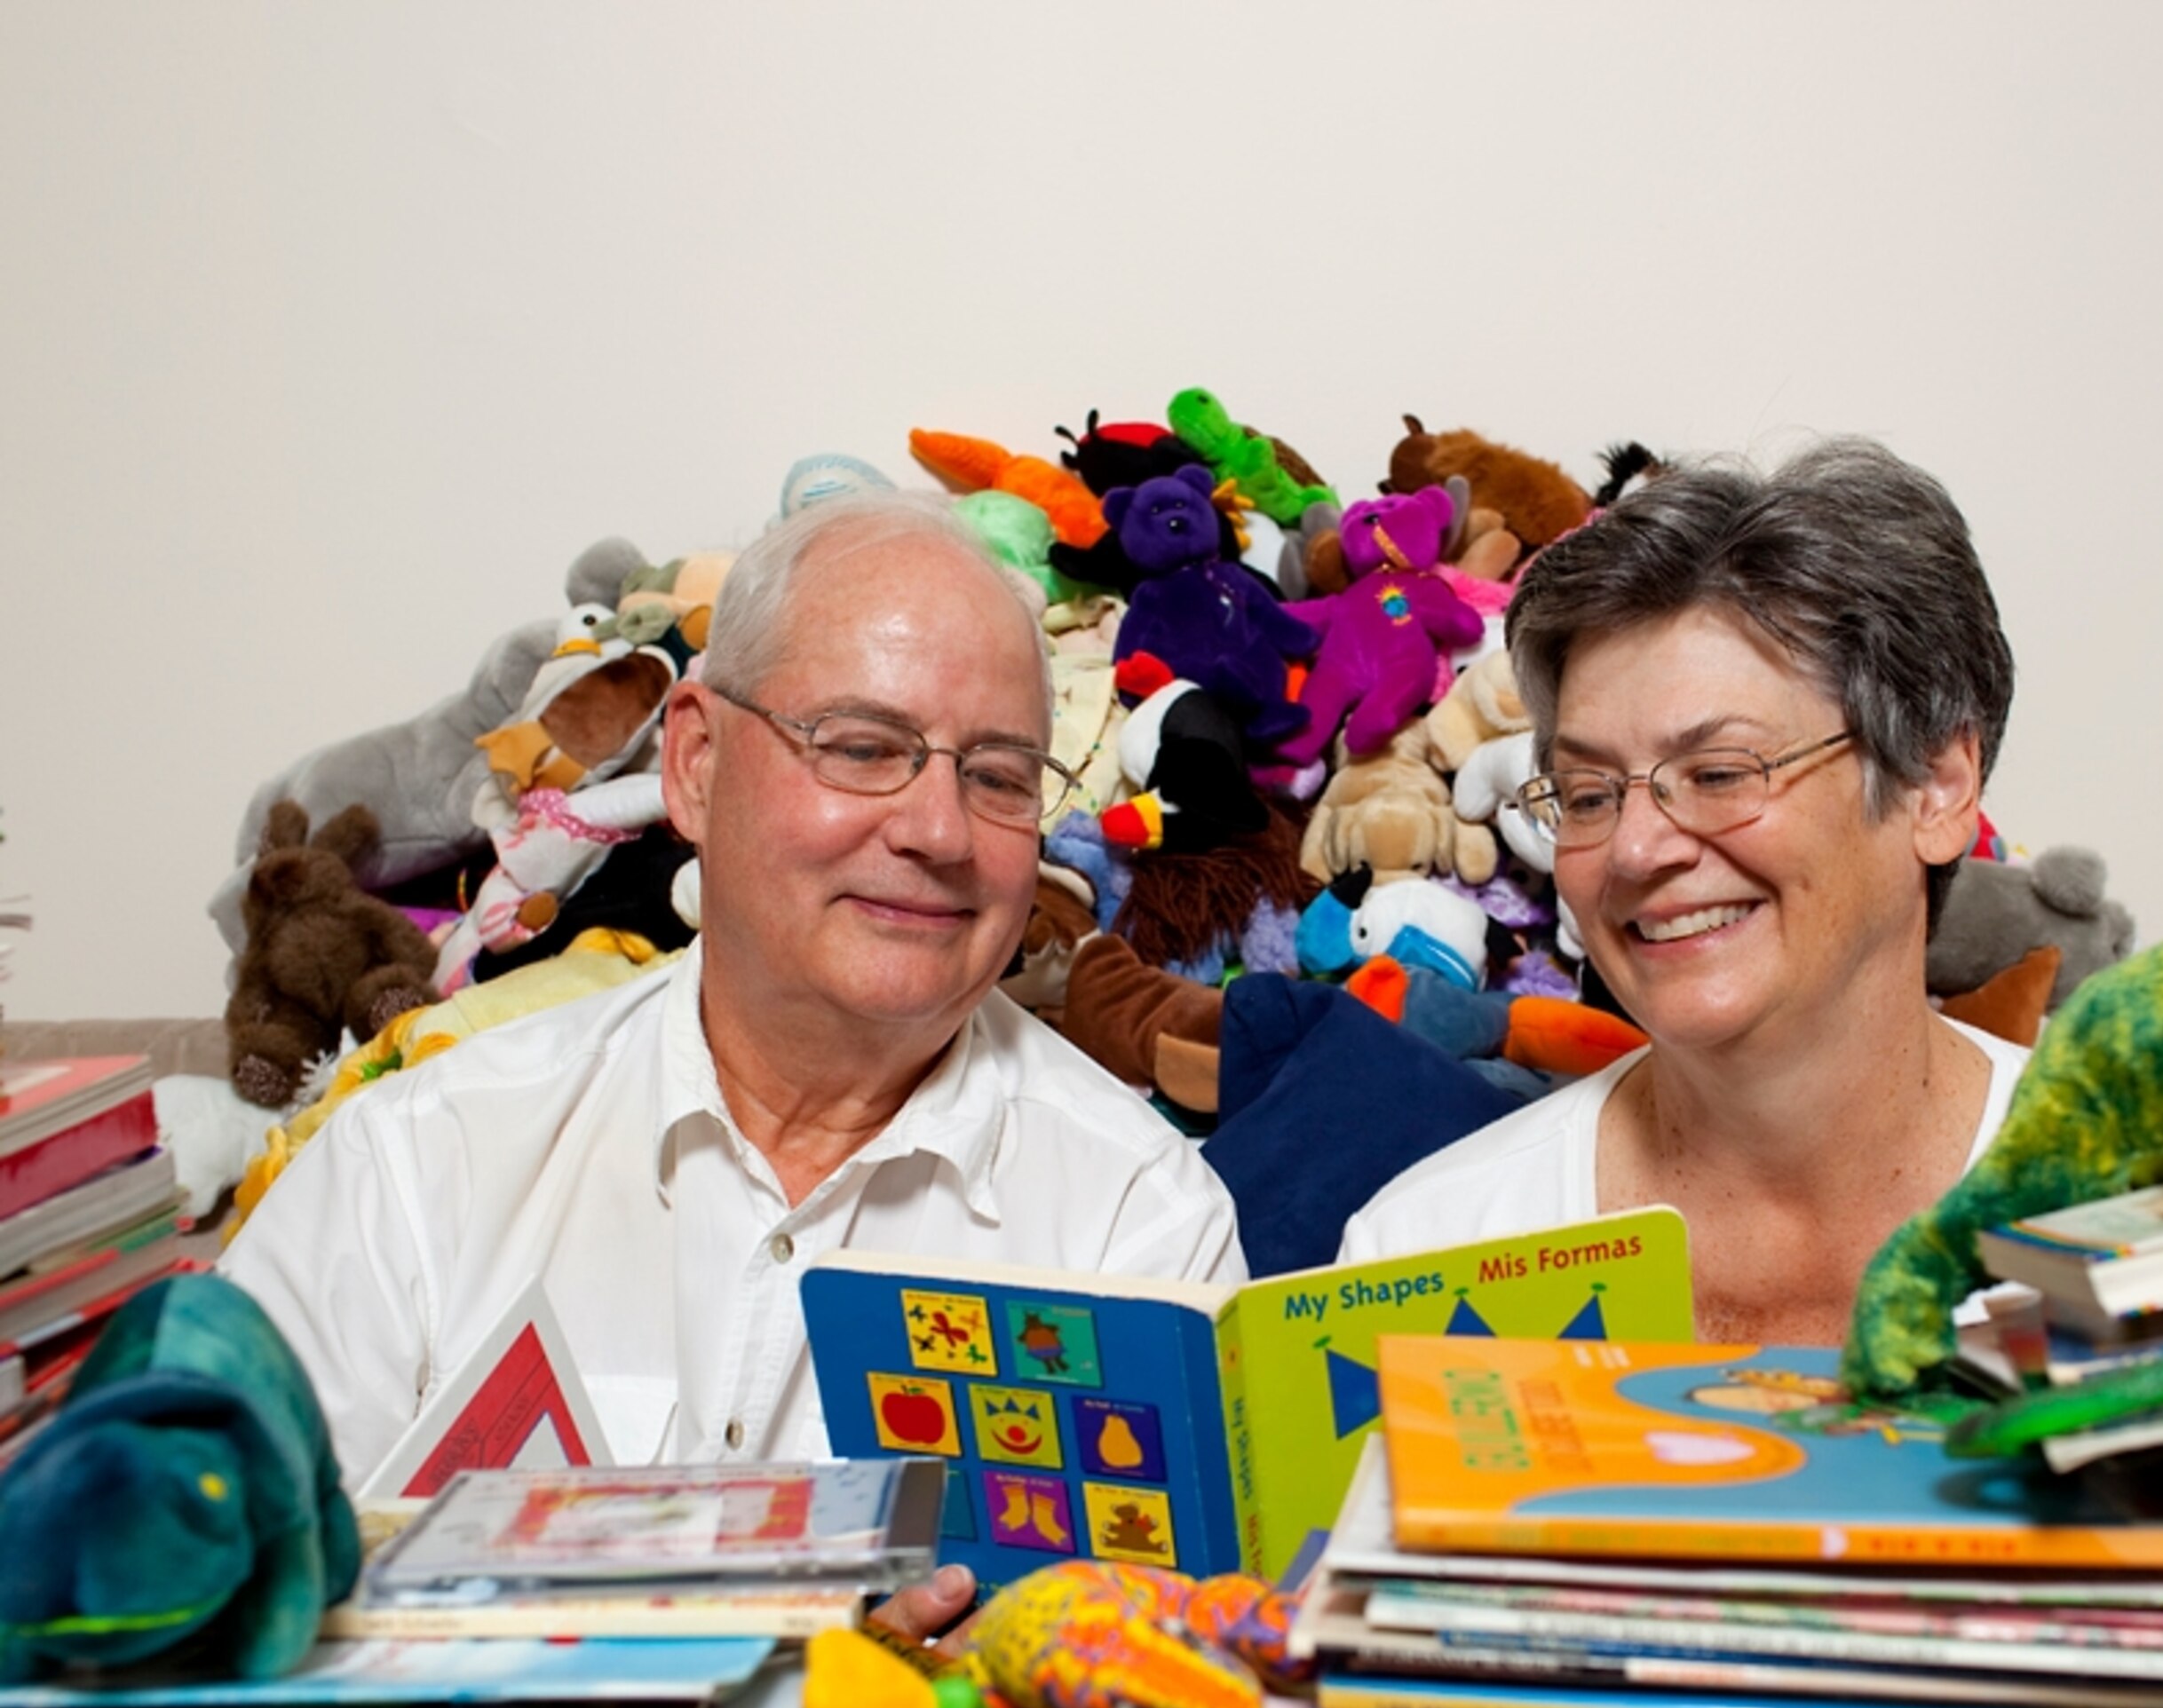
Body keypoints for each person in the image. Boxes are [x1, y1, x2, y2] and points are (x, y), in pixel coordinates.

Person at [223, 495, 1246, 1539]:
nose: (939, 830)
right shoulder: (416, 1166)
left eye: (998, 776)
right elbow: (192, 1587)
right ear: (696, 766)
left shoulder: (1140, 1224)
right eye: (860, 746)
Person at [1340, 440, 2025, 1348]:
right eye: (1588, 795)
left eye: (1719, 771)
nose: (1634, 848)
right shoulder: (1425, 1262)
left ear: (1934, 786)